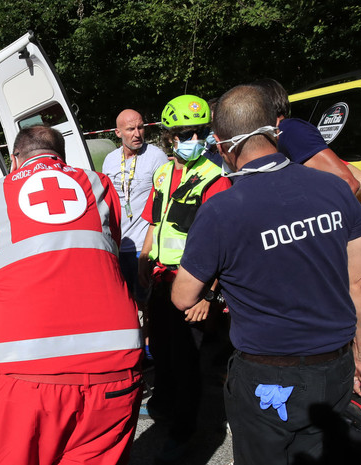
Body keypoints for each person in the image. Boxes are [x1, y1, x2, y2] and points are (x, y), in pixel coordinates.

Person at [171, 84, 361, 465]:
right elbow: (360, 282)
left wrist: (218, 292)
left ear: (221, 143)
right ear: (276, 130)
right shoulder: (335, 188)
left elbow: (183, 296)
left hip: (268, 376)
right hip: (335, 366)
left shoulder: (222, 209)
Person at [0, 125, 143, 465]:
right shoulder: (96, 183)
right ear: (62, 156)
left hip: (27, 366)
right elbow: (108, 250)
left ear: (14, 160)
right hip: (115, 360)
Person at [137, 94, 231, 461]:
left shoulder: (215, 178)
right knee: (161, 349)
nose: (194, 139)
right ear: (169, 137)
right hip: (161, 279)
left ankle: (183, 431)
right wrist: (145, 257)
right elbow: (154, 220)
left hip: (191, 285)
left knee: (188, 361)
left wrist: (209, 296)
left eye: (200, 132)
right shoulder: (165, 173)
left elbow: (225, 245)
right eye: (185, 133)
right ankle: (163, 404)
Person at [250, 78, 361, 196]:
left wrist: (307, 213)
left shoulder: (288, 129)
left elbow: (348, 182)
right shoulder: (284, 132)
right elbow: (360, 178)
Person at [101, 109, 168, 301]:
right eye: (130, 129)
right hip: (119, 246)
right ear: (118, 132)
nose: (137, 134)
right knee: (124, 300)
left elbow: (162, 203)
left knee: (147, 302)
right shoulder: (110, 160)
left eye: (141, 127)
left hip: (144, 246)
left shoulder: (157, 157)